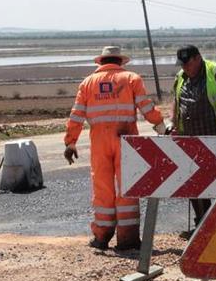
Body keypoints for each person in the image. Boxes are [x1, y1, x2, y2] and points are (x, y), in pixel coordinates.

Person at [63, 46, 169, 251]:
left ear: (101, 62)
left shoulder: (87, 83)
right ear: (120, 61)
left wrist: (70, 142)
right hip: (126, 139)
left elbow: (77, 115)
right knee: (127, 187)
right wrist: (160, 126)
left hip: (99, 141)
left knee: (103, 188)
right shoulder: (131, 79)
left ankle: (101, 237)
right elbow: (146, 107)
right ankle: (128, 240)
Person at [170, 45, 216, 227]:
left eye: (188, 63)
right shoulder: (181, 76)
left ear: (198, 58)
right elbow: (176, 99)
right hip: (190, 138)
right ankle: (202, 223)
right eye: (182, 64)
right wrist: (173, 122)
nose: (185, 67)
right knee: (194, 181)